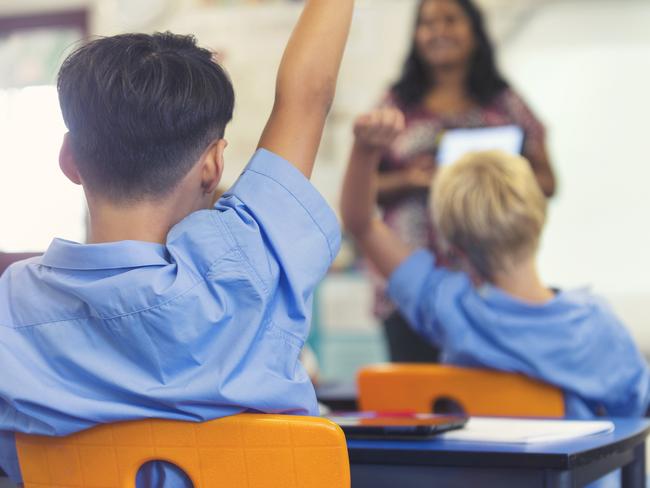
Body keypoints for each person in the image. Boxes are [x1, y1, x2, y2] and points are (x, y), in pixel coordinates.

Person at [0, 0, 354, 484]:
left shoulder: (10, 309)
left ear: (69, 159)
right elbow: (307, 95)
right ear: (213, 166)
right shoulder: (249, 262)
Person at [341, 107, 649, 422]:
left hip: (486, 472)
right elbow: (634, 415)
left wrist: (366, 149)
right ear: (538, 220)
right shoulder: (597, 327)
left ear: (456, 248)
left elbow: (361, 223)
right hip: (576, 473)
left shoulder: (450, 309)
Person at [369, 0, 556, 363]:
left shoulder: (504, 102)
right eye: (427, 23)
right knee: (415, 403)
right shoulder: (395, 103)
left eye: (450, 20)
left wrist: (495, 175)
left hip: (489, 281)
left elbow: (548, 181)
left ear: (474, 31)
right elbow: (363, 187)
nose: (438, 31)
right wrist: (411, 179)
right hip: (408, 282)